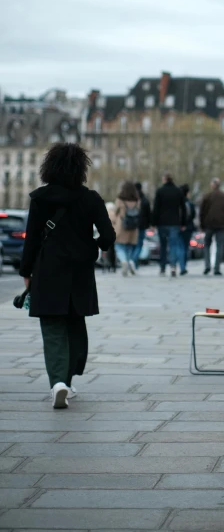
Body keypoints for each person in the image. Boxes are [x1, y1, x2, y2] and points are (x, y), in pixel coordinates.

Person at [19, 142, 116, 408]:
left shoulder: (40, 198)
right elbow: (108, 237)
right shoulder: (91, 198)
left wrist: (26, 271)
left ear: (48, 167)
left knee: (52, 327)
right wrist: (94, 246)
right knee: (75, 324)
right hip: (80, 272)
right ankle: (70, 380)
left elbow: (31, 240)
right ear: (80, 168)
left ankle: (57, 382)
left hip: (48, 270)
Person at [152, 174, 186, 277]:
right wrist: (183, 223)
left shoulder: (160, 191)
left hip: (162, 222)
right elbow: (183, 208)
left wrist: (153, 223)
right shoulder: (178, 191)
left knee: (163, 245)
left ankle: (162, 267)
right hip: (174, 222)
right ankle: (173, 266)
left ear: (164, 179)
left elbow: (156, 208)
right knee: (173, 245)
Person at [200, 178, 224, 276]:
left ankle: (207, 266)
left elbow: (202, 212)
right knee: (220, 246)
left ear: (212, 185)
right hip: (222, 224)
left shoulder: (207, 196)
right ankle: (217, 268)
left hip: (209, 224)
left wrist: (202, 224)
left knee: (207, 245)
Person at [114, 182, 140, 276]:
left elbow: (115, 211)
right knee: (129, 247)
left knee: (119, 246)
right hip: (133, 227)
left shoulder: (120, 199)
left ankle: (124, 261)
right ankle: (129, 263)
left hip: (122, 225)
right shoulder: (137, 200)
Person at [131, 182, 151, 269]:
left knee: (132, 245)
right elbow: (149, 214)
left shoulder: (131, 198)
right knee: (139, 245)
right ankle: (133, 261)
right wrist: (149, 224)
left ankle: (133, 262)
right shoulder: (144, 200)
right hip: (142, 226)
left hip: (132, 225)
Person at [180, 184, 196, 276]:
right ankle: (183, 266)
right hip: (188, 227)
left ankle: (179, 265)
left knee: (179, 246)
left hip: (178, 227)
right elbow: (193, 215)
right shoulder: (189, 203)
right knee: (185, 247)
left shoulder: (178, 203)